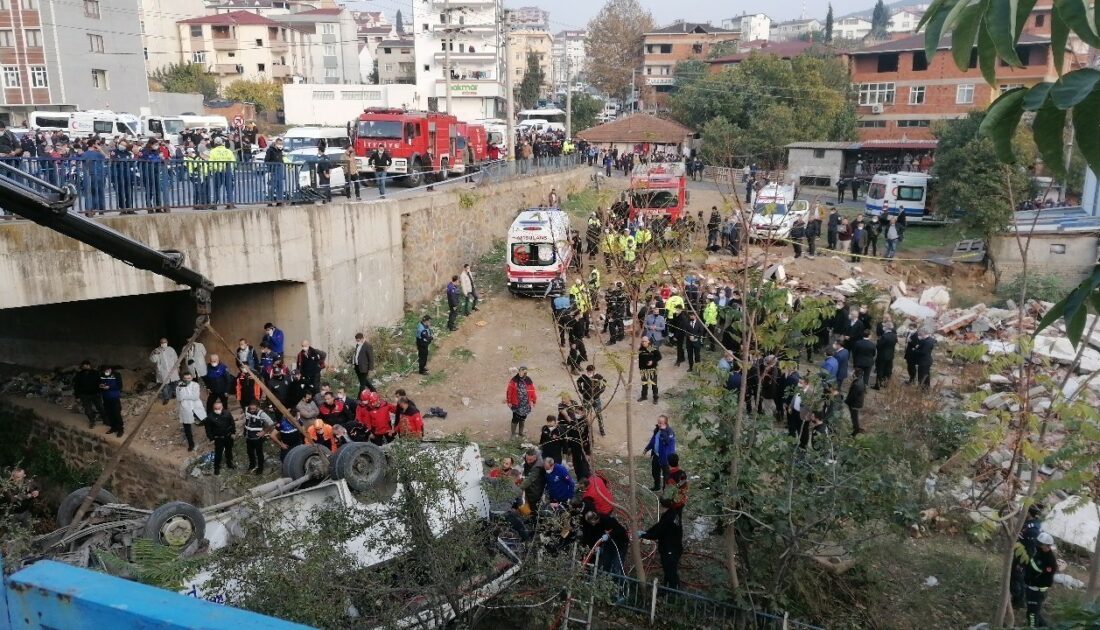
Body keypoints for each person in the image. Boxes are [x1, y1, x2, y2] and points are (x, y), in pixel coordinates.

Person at [638, 502, 684, 589]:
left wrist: (643, 535)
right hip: (675, 547)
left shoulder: (669, 517)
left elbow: (657, 533)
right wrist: (647, 532)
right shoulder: (674, 512)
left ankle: (674, 592)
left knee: (670, 571)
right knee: (668, 571)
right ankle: (667, 588)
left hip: (670, 550)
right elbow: (659, 525)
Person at [1012, 505, 1045, 608]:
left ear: (1029, 513)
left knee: (1017, 577)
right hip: (1022, 554)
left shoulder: (1032, 528)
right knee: (1019, 577)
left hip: (1024, 555)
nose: (1022, 513)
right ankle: (1018, 599)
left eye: (1025, 512)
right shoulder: (1034, 523)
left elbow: (1030, 546)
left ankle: (1018, 601)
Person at [1023, 531, 1057, 627]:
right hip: (1031, 588)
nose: (1038, 546)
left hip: (1037, 592)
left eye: (1040, 545)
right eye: (1038, 543)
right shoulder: (1039, 552)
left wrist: (1032, 580)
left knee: (1032, 615)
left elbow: (1046, 579)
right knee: (1035, 612)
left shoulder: (1049, 561)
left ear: (1048, 546)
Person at [582, 510, 630, 577]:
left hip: (620, 544)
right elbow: (596, 536)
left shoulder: (607, 519)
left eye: (591, 522)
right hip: (608, 545)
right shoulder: (596, 525)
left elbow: (620, 530)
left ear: (593, 520)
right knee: (606, 566)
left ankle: (620, 585)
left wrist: (609, 535)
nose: (591, 524)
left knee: (616, 567)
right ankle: (605, 583)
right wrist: (596, 547)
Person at [243, 401, 280, 474]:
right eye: (251, 409)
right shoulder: (247, 409)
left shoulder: (262, 414)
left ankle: (260, 469)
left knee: (259, 453)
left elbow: (272, 423)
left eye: (254, 409)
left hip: (257, 438)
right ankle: (252, 465)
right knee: (250, 453)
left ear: (258, 407)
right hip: (249, 437)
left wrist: (264, 432)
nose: (252, 411)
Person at [643, 415, 677, 492]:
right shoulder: (657, 430)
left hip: (665, 458)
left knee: (666, 476)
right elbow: (653, 440)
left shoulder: (669, 432)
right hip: (656, 455)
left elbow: (667, 441)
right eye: (658, 422)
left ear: (665, 423)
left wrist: (664, 431)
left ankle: (665, 492)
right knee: (655, 472)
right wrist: (647, 448)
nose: (659, 424)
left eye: (660, 423)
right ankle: (657, 486)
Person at [205, 400, 236, 475]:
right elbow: (208, 429)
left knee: (229, 451)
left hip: (228, 437)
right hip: (218, 438)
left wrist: (233, 432)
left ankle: (229, 463)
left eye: (219, 408)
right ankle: (217, 468)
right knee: (218, 453)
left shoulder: (227, 413)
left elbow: (232, 423)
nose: (217, 410)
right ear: (213, 408)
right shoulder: (210, 417)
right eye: (216, 408)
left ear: (222, 407)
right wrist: (211, 438)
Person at [177, 372, 206, 451]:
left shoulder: (195, 385)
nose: (187, 380)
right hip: (185, 407)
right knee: (187, 428)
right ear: (183, 379)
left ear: (192, 378)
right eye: (185, 379)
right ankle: (191, 444)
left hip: (196, 406)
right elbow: (179, 398)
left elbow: (195, 396)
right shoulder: (180, 386)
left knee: (205, 421)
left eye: (189, 378)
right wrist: (186, 396)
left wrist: (185, 396)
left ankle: (211, 436)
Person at [506, 367, 537, 438]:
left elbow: (532, 390)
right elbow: (509, 391)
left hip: (526, 404)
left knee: (523, 419)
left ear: (525, 373)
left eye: (523, 372)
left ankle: (520, 433)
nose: (521, 373)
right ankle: (513, 434)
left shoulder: (528, 380)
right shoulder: (514, 380)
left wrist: (534, 400)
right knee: (515, 419)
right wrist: (509, 401)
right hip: (516, 404)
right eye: (520, 371)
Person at [576, 365, 607, 437]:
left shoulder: (598, 377)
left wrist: (599, 392)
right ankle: (584, 430)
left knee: (599, 414)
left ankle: (602, 430)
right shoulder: (584, 376)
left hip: (596, 399)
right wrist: (582, 391)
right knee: (585, 414)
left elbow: (604, 385)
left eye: (591, 371)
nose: (589, 373)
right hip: (586, 399)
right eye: (588, 371)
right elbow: (578, 382)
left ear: (594, 370)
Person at [73, 360, 104, 428]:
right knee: (88, 410)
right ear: (82, 367)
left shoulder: (95, 373)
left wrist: (101, 390)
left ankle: (106, 420)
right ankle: (92, 421)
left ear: (90, 366)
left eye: (87, 365)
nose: (86, 367)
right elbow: (76, 386)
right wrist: (77, 396)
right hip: (85, 395)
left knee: (101, 407)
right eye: (84, 366)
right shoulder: (79, 375)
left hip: (95, 394)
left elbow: (100, 382)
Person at [638, 336, 662, 403]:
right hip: (644, 369)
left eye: (645, 341)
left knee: (654, 383)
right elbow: (640, 359)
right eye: (642, 341)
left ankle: (655, 398)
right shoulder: (641, 349)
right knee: (644, 383)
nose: (643, 343)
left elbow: (659, 357)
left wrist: (652, 361)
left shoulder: (652, 349)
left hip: (652, 369)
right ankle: (644, 396)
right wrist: (640, 368)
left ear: (648, 341)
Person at [874, 321, 898, 388]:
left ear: (886, 327)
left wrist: (878, 341)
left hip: (882, 355)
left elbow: (879, 346)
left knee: (880, 370)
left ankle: (877, 385)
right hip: (890, 355)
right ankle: (885, 384)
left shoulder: (884, 336)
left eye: (884, 326)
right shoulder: (894, 336)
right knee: (888, 370)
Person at [264, 137, 287, 206]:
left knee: (279, 186)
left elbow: (281, 159)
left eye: (281, 144)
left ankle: (279, 201)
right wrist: (270, 169)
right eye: (279, 143)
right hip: (273, 170)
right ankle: (270, 201)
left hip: (279, 171)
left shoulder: (280, 151)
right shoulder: (270, 150)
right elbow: (266, 160)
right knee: (272, 186)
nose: (280, 145)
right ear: (275, 143)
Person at [846, 369, 866, 436]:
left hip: (855, 404)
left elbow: (852, 396)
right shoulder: (861, 381)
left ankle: (856, 430)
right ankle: (856, 428)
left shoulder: (856, 384)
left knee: (854, 417)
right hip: (858, 402)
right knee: (854, 416)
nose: (851, 374)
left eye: (853, 373)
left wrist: (847, 401)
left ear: (855, 374)